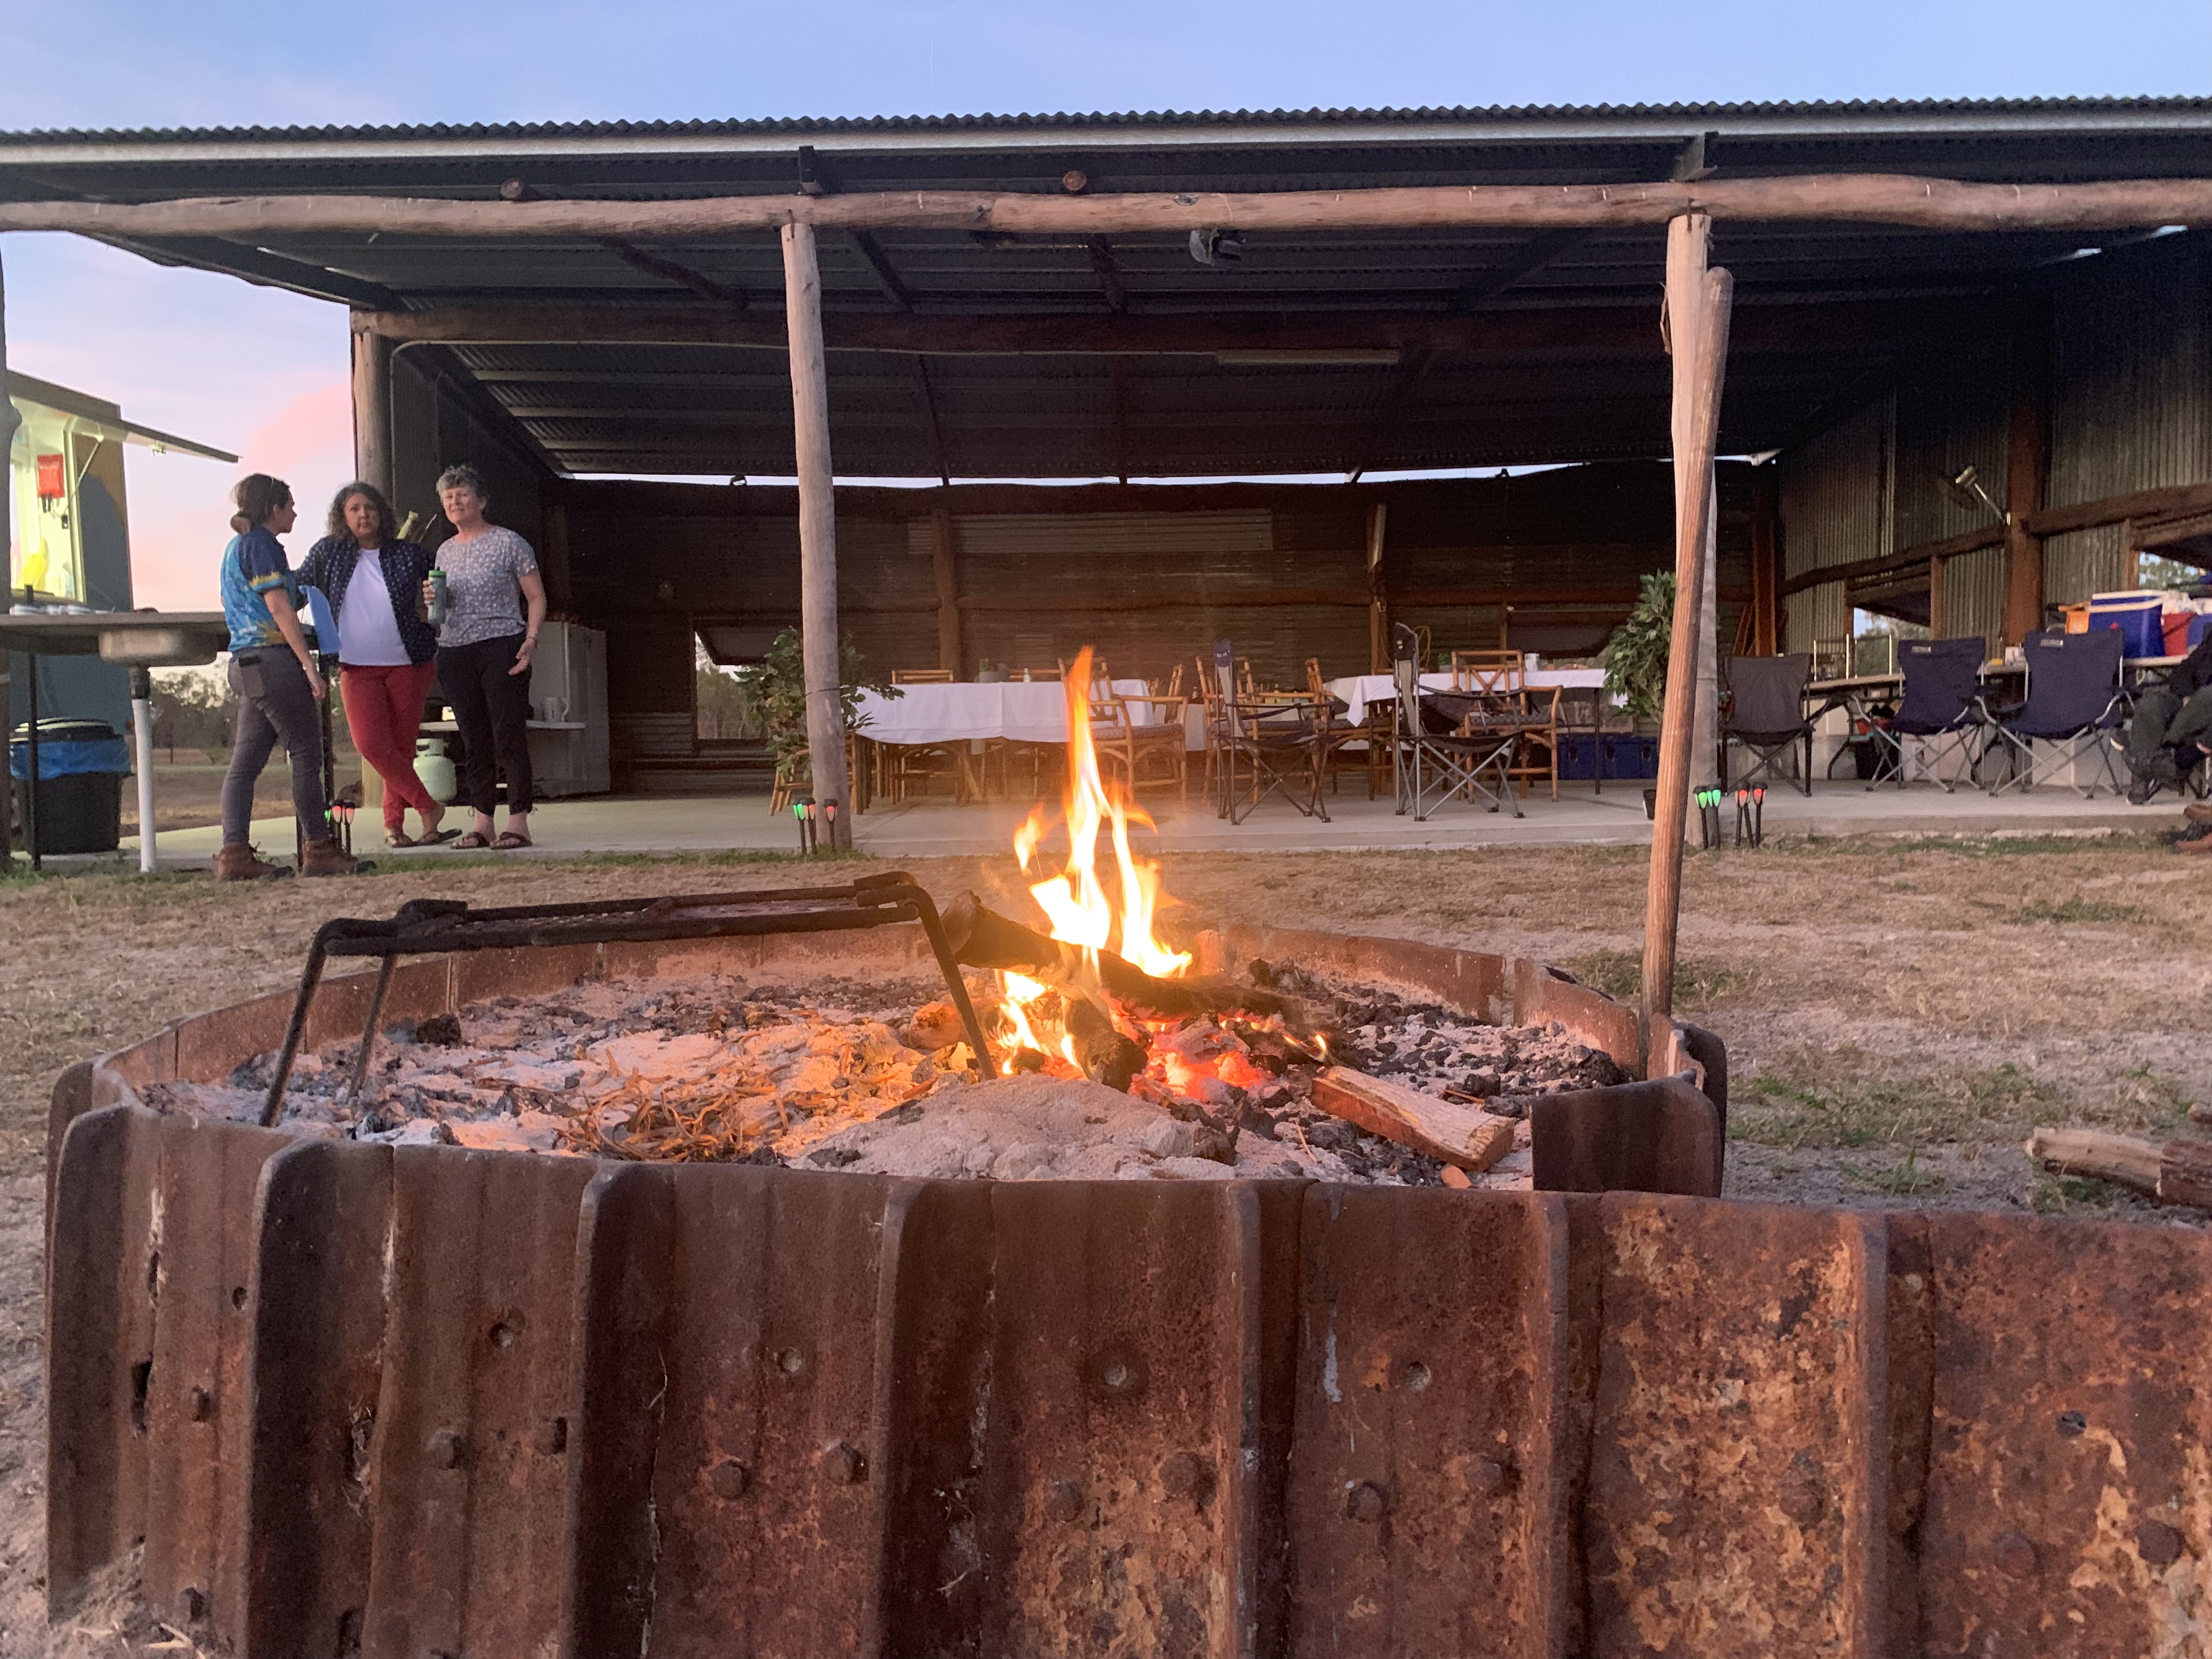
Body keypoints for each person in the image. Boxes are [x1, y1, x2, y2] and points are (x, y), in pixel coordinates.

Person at [213, 474, 362, 879]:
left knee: (245, 764)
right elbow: (279, 607)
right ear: (273, 509)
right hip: (274, 659)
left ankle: (234, 853)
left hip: (245, 663)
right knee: (306, 753)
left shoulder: (235, 549)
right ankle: (317, 846)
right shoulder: (263, 546)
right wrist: (308, 665)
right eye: (290, 505)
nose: (295, 511)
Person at [298, 482, 453, 848]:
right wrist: (263, 589)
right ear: (342, 516)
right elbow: (296, 584)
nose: (363, 515)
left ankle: (394, 827)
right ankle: (428, 807)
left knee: (398, 749)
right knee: (371, 744)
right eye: (354, 509)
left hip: (409, 663)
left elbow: (446, 580)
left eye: (369, 508)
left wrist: (431, 601)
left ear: (382, 513)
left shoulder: (407, 553)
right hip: (355, 664)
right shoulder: (328, 552)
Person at [425, 464, 546, 849]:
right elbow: (441, 611)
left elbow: (536, 596)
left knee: (507, 734)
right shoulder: (444, 551)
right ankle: (481, 824)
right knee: (472, 739)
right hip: (454, 649)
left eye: (462, 494)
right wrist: (432, 602)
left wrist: (531, 638)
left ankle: (518, 822)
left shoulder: (509, 542)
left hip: (501, 644)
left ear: (481, 500)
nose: (455, 502)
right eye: (448, 497)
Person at [2125, 630, 2212, 805]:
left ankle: (2153, 757)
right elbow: (2185, 669)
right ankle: (2144, 775)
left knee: (2207, 695)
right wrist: (2187, 694)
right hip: (2190, 698)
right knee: (2152, 702)